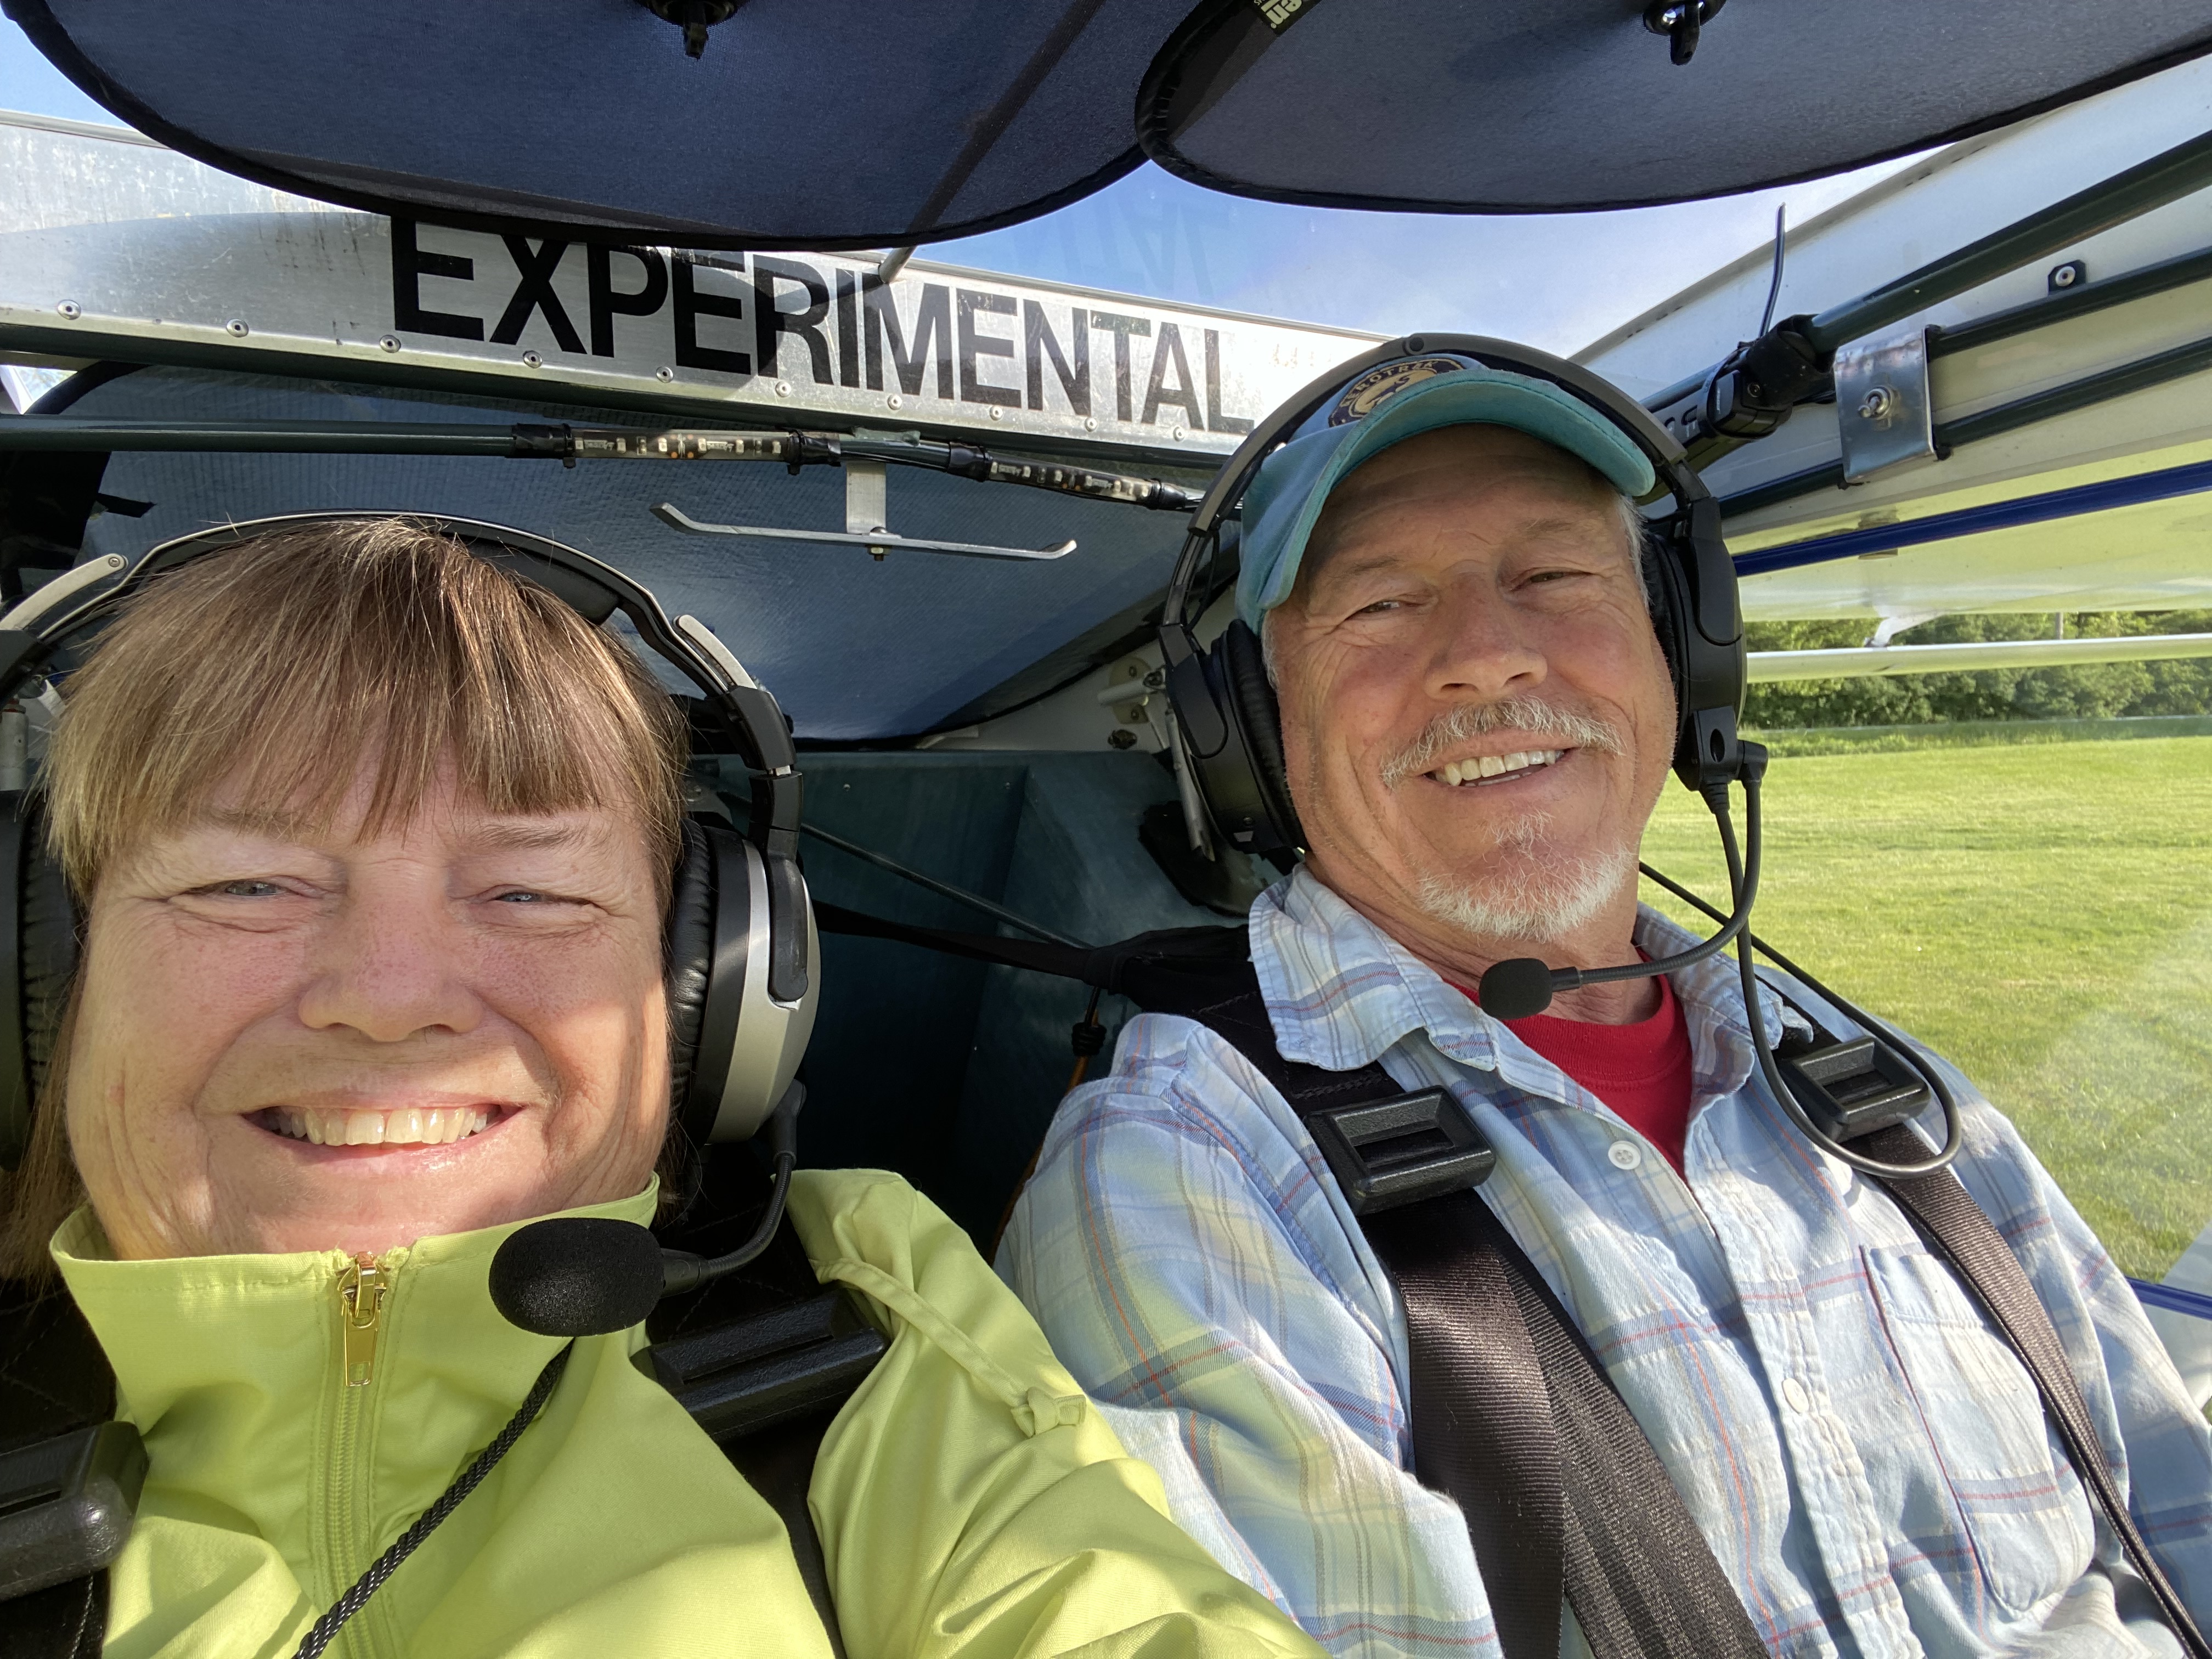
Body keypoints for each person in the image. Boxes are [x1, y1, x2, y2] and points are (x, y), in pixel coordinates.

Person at [998, 356, 2212, 1657]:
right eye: (1384, 602)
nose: (1488, 654)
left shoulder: (1880, 1088)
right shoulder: (1191, 1170)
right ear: (1248, 727)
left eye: (1555, 577)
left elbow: (2172, 1515)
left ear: (1683, 655)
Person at [0, 517, 1328, 1659]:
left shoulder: (857, 1317)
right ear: (53, 974)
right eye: (247, 883)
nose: (391, 998)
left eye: (530, 891)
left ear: (706, 991)